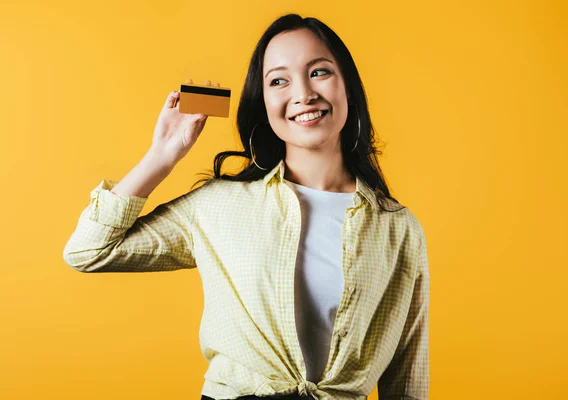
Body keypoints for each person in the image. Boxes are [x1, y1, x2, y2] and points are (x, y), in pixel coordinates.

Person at [63, 13, 430, 400]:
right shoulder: (219, 205)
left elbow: (408, 374)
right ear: (265, 103)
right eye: (279, 80)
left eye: (319, 72)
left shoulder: (398, 228)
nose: (303, 94)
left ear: (348, 87)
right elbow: (88, 251)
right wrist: (163, 154)